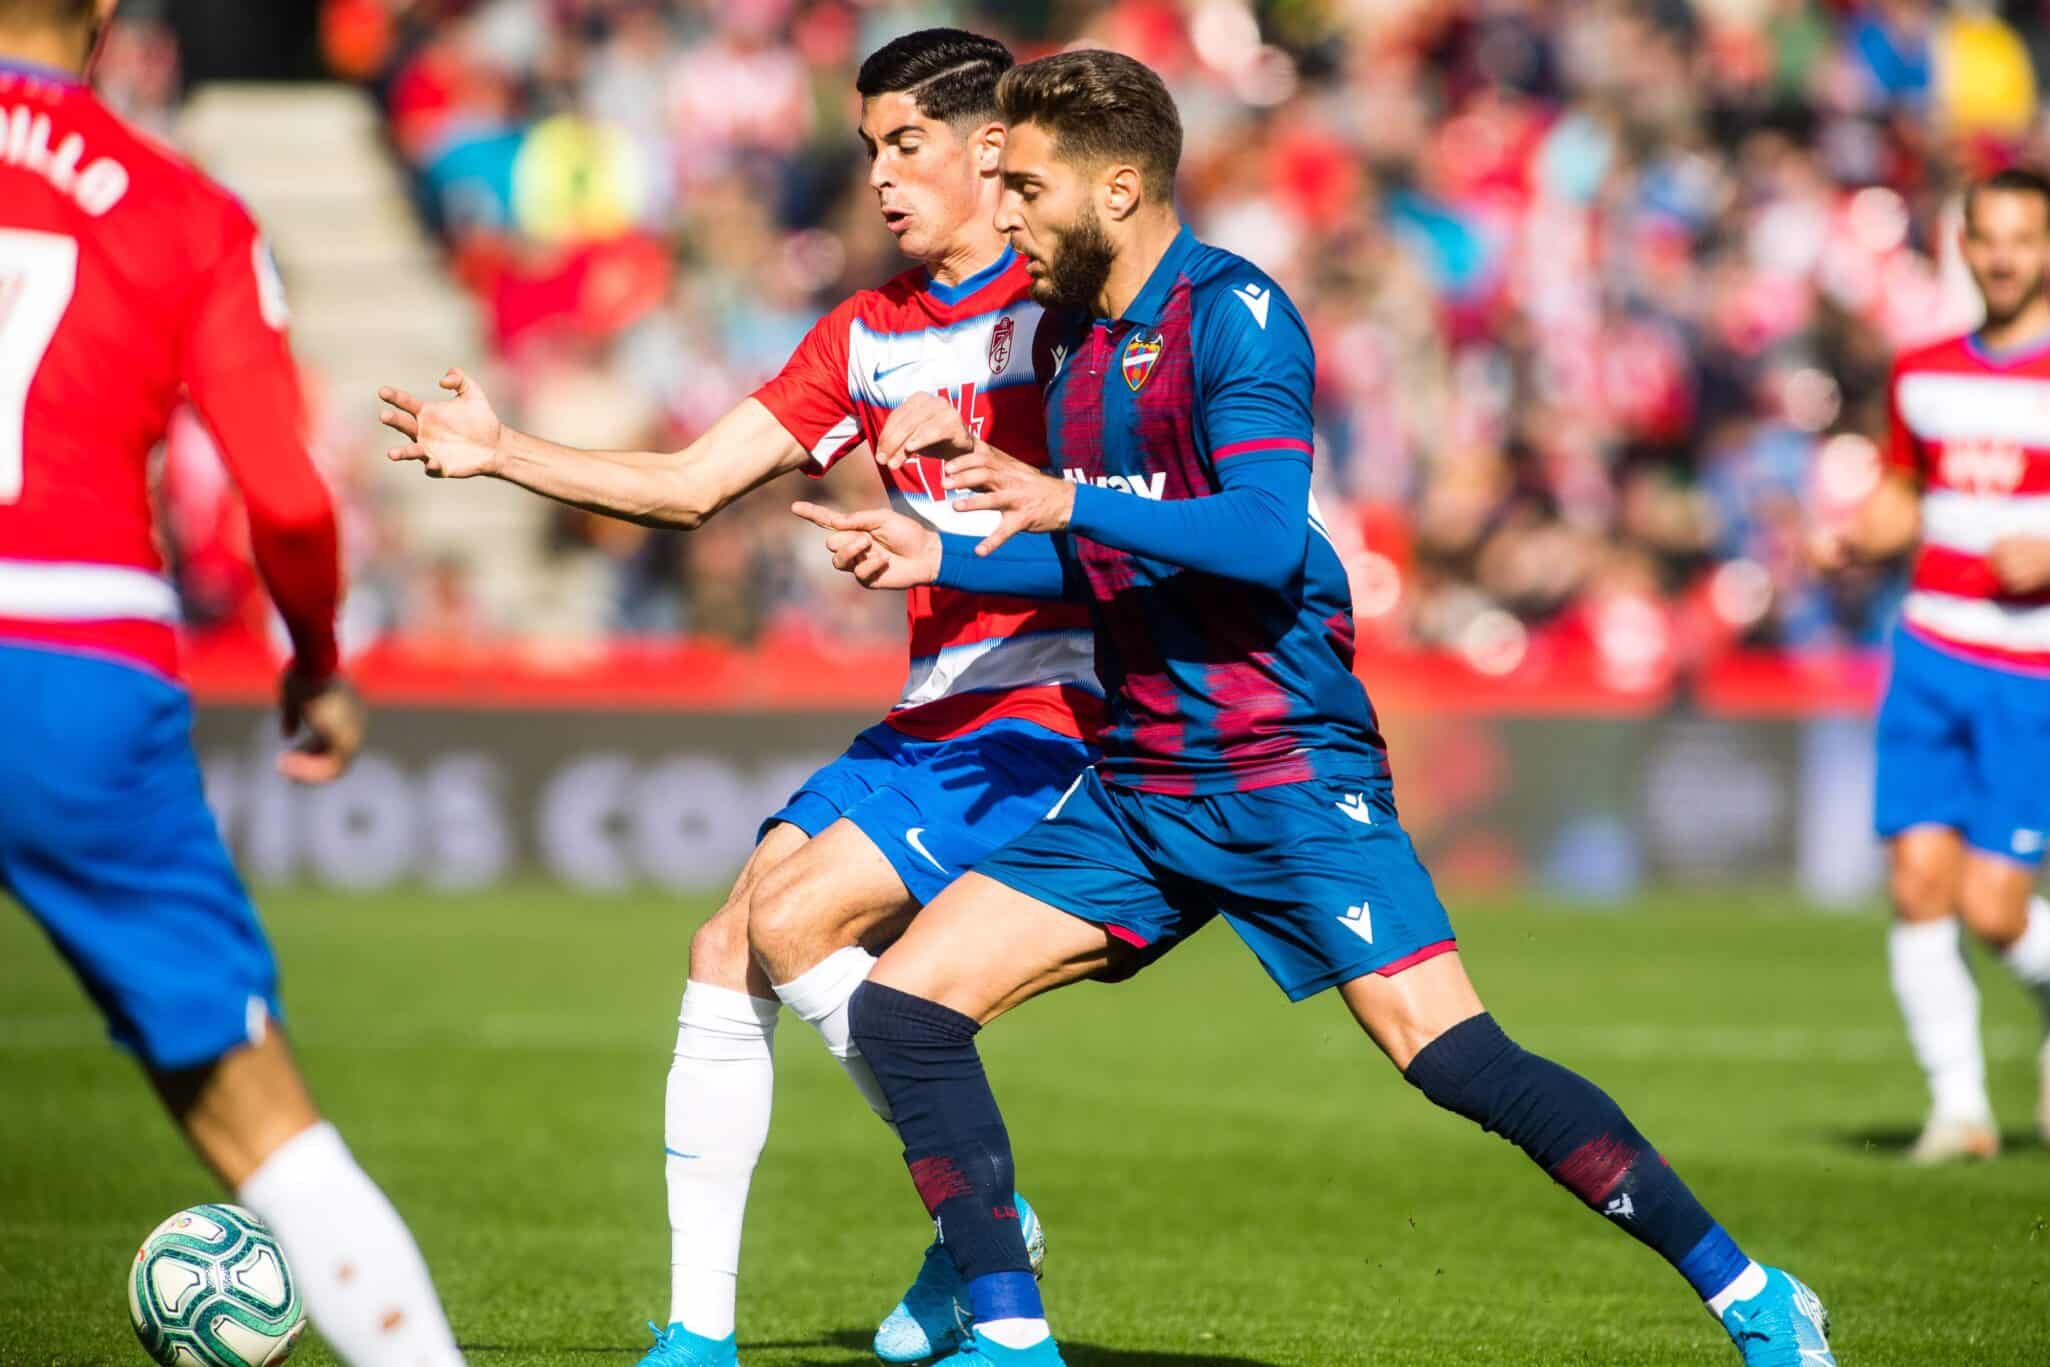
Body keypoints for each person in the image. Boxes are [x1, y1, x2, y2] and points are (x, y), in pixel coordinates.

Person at [796, 49, 1836, 1367]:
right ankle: (1008, 1332)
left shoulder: (1236, 315)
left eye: (1024, 186)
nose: (1000, 211)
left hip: (1282, 765)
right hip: (1141, 778)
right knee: (906, 1007)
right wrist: (940, 552)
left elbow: (1258, 535)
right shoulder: (1066, 339)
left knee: (1453, 1056)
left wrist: (1056, 497)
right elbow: (1110, 552)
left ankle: (1747, 1288)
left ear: (1117, 187)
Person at [376, 29, 1094, 1366]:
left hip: (1054, 714)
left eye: (905, 144)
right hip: (935, 713)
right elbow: (695, 481)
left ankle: (978, 1220)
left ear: (992, 151)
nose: (877, 174)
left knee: (795, 913)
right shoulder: (867, 332)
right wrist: (500, 452)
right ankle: (704, 1330)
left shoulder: (1072, 319)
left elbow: (1138, 524)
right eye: (868, 145)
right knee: (725, 944)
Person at [0, 2, 466, 1362]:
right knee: (262, 1120)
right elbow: (285, 497)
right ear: (104, 17)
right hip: (70, 662)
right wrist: (315, 661)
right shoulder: (181, 209)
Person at [1814, 166, 2050, 1163]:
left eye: (2021, 238)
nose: (2001, 256)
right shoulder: (1920, 371)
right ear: (1961, 242)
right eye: (1985, 236)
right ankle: (1959, 1112)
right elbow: (1907, 490)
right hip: (1926, 652)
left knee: (1993, 904)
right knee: (1916, 883)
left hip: (2027, 670)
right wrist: (1854, 535)